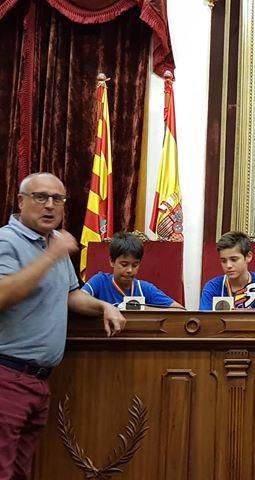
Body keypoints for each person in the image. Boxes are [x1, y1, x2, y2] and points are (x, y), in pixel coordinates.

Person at [0, 172, 125, 480]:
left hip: (38, 381)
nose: (50, 206)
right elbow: (4, 294)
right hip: (6, 376)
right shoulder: (7, 240)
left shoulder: (53, 242)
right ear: (21, 202)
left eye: (58, 199)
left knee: (19, 471)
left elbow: (71, 295)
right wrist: (51, 256)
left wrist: (103, 306)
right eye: (40, 197)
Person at [81, 232, 182, 309]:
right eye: (124, 264)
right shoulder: (100, 281)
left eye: (135, 265)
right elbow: (79, 300)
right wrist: (106, 308)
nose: (130, 270)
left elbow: (179, 310)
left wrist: (145, 309)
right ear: (112, 261)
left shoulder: (144, 288)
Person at [200, 231, 255, 310]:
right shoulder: (212, 287)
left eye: (234, 259)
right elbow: (205, 320)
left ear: (248, 257)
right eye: (223, 261)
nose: (228, 266)